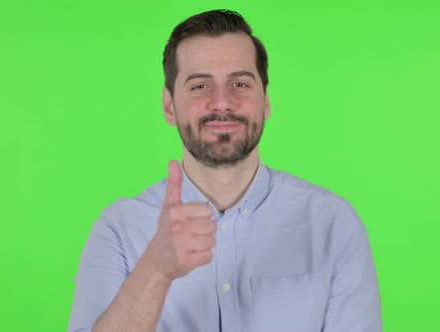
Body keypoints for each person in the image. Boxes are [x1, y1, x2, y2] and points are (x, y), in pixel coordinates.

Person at [68, 9, 381, 332]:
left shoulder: (333, 224)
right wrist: (156, 270)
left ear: (266, 101)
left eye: (240, 83)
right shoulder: (119, 230)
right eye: (200, 86)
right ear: (169, 105)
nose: (222, 102)